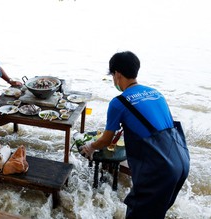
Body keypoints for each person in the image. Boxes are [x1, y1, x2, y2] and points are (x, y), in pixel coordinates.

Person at [80, 51, 190, 219]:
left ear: (117, 74)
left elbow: (106, 139)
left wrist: (91, 147)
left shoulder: (119, 102)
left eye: (112, 76)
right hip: (181, 162)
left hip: (159, 168)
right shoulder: (156, 93)